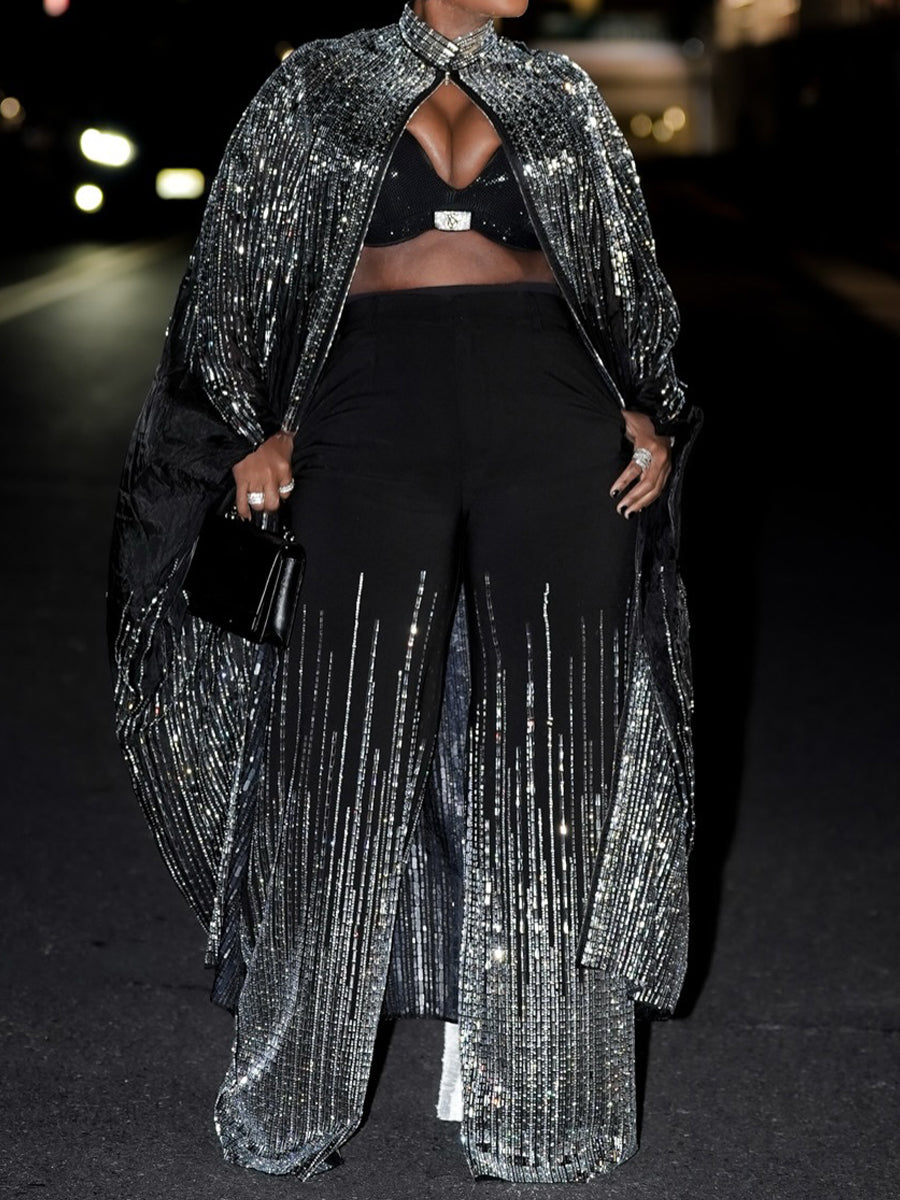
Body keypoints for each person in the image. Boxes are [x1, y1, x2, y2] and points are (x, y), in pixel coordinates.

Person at [107, 0, 701, 1184]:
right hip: (368, 406)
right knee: (338, 745)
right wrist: (256, 428)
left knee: (556, 752)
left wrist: (648, 411)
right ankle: (292, 1098)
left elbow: (625, 282)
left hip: (551, 407)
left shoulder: (562, 95)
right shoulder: (318, 87)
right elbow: (234, 273)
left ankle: (538, 1104)